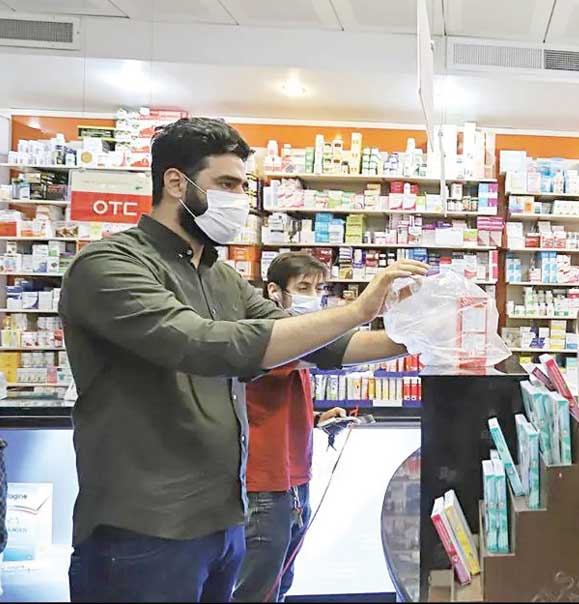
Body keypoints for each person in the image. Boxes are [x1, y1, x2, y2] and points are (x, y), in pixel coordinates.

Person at [60, 117, 427, 603]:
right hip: (143, 530)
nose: (240, 200)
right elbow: (205, 345)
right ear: (176, 183)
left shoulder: (221, 277)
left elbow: (318, 346)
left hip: (224, 521)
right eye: (227, 184)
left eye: (242, 186)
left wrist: (417, 336)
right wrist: (358, 309)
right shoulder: (109, 265)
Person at [233, 252, 347, 603]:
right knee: (256, 591)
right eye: (303, 287)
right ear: (274, 291)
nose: (313, 296)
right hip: (265, 485)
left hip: (296, 481)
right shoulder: (267, 337)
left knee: (280, 585)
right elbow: (337, 354)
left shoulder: (303, 339)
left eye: (319, 288)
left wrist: (316, 420)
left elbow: (270, 403)